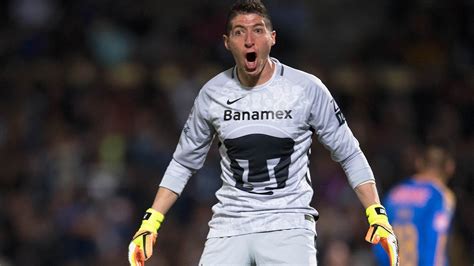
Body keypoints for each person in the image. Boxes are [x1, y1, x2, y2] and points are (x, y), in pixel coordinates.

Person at [128, 0, 399, 265]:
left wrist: (376, 214)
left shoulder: (305, 88)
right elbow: (183, 161)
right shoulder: (213, 93)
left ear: (272, 38)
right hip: (230, 225)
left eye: (257, 30)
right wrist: (151, 221)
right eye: (239, 32)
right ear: (226, 42)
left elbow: (349, 153)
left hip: (289, 225)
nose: (249, 40)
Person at [374, 144, 456, 266]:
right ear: (450, 167)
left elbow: (379, 243)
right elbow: (436, 242)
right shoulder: (441, 195)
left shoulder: (394, 193)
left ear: (419, 163)